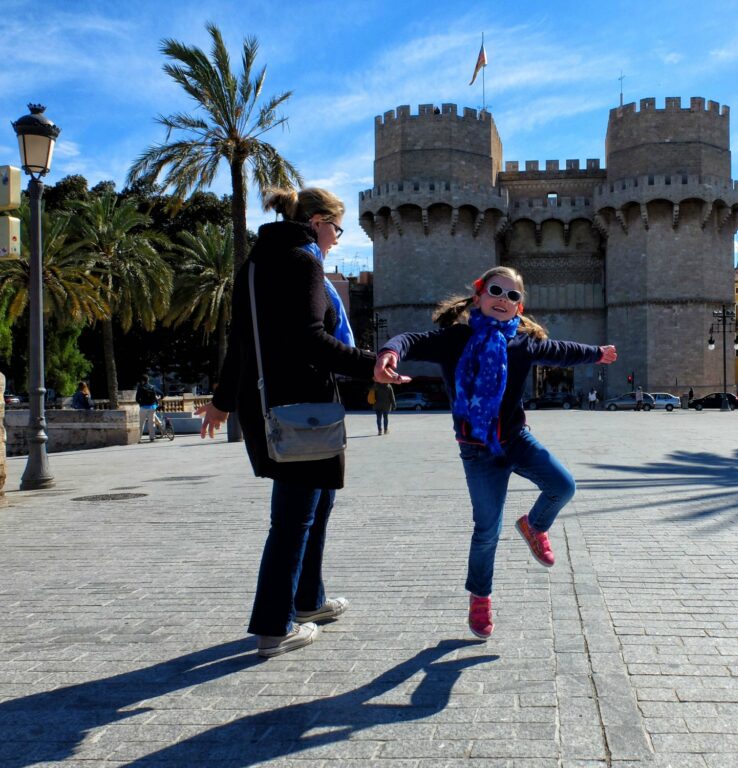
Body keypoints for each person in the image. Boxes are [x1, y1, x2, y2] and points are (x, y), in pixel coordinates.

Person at [374, 266, 617, 639]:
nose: (503, 299)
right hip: (477, 451)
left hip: (516, 440)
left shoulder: (521, 343)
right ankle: (480, 598)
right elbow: (411, 340)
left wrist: (596, 354)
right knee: (486, 531)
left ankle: (533, 526)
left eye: (513, 296)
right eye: (496, 291)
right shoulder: (455, 339)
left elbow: (561, 351)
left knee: (563, 486)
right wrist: (390, 351)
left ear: (519, 308)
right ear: (478, 297)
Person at [196, 186, 377, 658]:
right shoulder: (303, 261)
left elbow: (241, 343)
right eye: (336, 229)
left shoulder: (254, 265)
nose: (336, 240)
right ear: (317, 220)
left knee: (312, 510)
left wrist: (221, 401)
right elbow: (312, 339)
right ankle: (274, 629)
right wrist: (370, 364)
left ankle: (308, 601)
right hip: (304, 411)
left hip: (274, 409)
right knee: (294, 519)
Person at [135, 375, 162, 441]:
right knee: (151, 423)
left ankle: (139, 438)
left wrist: (141, 404)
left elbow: (137, 398)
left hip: (143, 407)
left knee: (141, 423)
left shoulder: (140, 387)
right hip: (152, 407)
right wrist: (156, 404)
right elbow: (156, 397)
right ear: (148, 380)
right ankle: (152, 437)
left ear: (142, 380)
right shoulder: (152, 387)